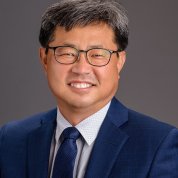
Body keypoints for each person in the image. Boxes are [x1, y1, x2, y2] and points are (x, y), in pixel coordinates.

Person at [0, 0, 178, 177]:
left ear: (120, 62)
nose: (81, 68)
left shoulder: (159, 145)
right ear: (44, 59)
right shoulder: (10, 139)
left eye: (98, 55)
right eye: (68, 53)